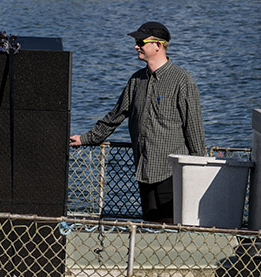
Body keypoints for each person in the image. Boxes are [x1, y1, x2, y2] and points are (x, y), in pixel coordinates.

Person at [70, 21, 206, 223]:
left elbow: (194, 129)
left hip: (173, 173)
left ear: (158, 46)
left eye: (141, 42)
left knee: (173, 229)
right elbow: (114, 117)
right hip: (143, 171)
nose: (136, 46)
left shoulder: (182, 81)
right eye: (136, 41)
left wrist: (198, 172)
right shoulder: (135, 81)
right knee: (150, 229)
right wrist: (86, 139)